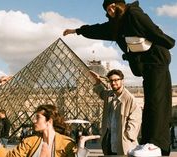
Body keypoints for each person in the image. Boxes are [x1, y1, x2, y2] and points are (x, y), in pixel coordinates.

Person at [63, 0, 175, 156]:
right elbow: (97, 30)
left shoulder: (133, 14)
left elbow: (152, 30)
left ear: (121, 4)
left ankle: (157, 144)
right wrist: (77, 31)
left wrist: (168, 43)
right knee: (151, 102)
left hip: (157, 60)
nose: (110, 9)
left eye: (113, 5)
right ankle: (149, 142)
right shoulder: (116, 25)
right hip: (146, 65)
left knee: (157, 102)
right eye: (108, 8)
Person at [0, 104, 89, 157]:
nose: (34, 120)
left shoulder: (67, 143)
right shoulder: (29, 141)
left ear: (49, 121)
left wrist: (81, 146)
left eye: (38, 117)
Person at [89, 69, 142, 155]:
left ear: (122, 80)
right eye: (111, 81)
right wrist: (98, 81)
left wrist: (127, 136)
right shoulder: (110, 95)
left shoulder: (130, 99)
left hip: (123, 144)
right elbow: (101, 92)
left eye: (116, 80)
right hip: (109, 143)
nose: (113, 83)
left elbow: (136, 120)